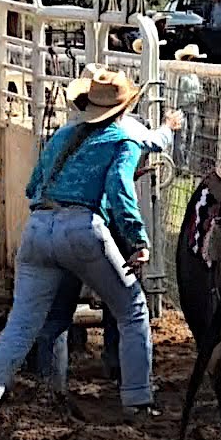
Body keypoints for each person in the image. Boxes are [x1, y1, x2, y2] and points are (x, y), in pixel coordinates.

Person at [0, 69, 161, 436]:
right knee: (132, 311)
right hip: (83, 228)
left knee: (20, 325)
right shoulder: (123, 140)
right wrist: (138, 242)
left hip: (37, 228)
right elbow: (119, 191)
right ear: (124, 107)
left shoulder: (64, 134)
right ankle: (138, 400)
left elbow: (34, 184)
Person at [32, 64, 183, 398]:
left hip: (53, 224)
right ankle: (128, 383)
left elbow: (35, 186)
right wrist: (169, 127)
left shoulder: (67, 133)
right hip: (99, 224)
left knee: (57, 311)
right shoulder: (124, 130)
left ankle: (48, 387)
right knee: (128, 304)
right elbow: (148, 149)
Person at [174, 45, 205, 169]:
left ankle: (185, 163)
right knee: (181, 136)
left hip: (193, 107)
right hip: (181, 107)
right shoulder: (179, 73)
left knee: (190, 136)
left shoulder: (194, 74)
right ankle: (179, 164)